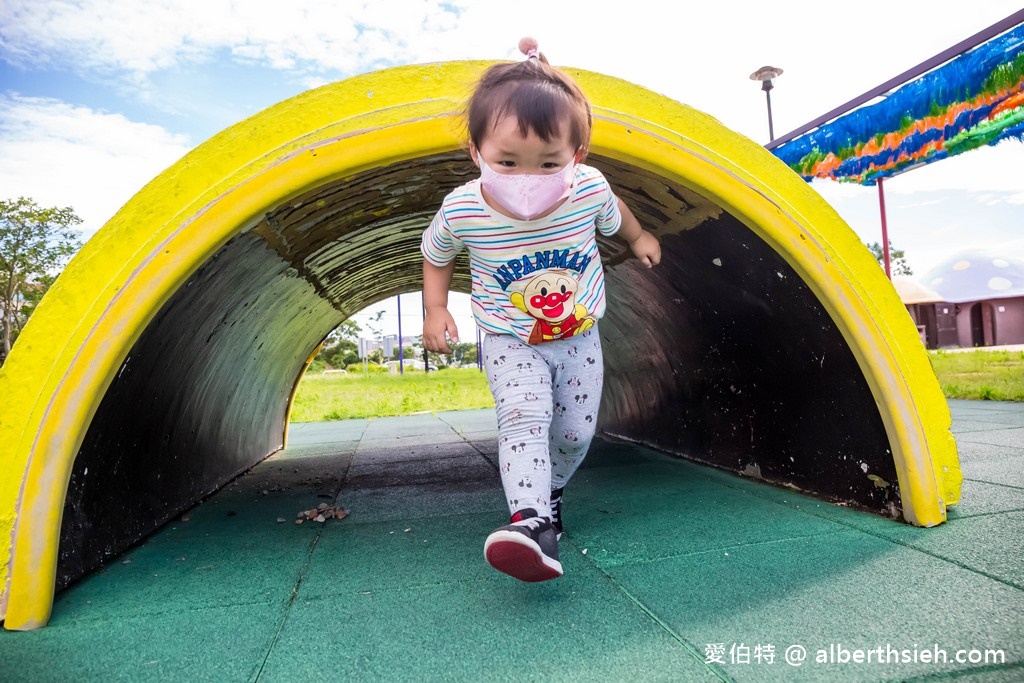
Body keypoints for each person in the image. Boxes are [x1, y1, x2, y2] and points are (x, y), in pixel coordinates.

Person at [420, 37, 661, 582]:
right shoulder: (462, 207)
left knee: (575, 433)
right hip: (509, 338)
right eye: (507, 161)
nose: (527, 177)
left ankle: (550, 493)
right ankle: (529, 522)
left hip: (578, 337)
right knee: (525, 416)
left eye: (548, 162)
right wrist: (435, 309)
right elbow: (435, 254)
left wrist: (640, 235)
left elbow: (616, 213)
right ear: (476, 151)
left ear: (576, 156)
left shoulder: (587, 190)